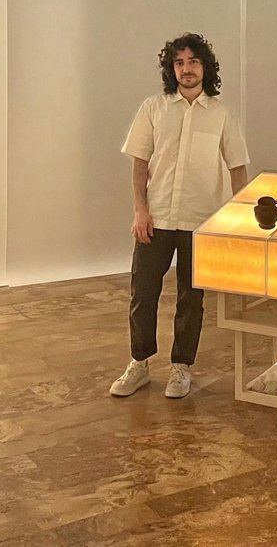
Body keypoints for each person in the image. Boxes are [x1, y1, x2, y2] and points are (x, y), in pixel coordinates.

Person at [111, 32, 249, 399]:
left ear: (205, 67)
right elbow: (139, 164)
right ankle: (139, 364)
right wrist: (140, 210)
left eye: (193, 62)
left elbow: (237, 168)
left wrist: (239, 220)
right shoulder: (153, 109)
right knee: (143, 293)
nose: (186, 69)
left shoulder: (222, 115)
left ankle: (181, 368)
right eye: (179, 63)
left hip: (201, 220)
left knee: (191, 298)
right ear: (171, 69)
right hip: (155, 218)